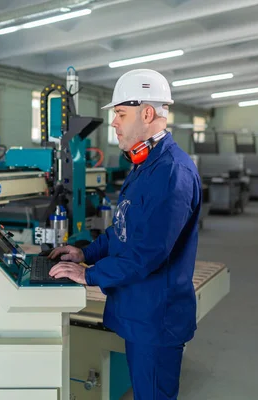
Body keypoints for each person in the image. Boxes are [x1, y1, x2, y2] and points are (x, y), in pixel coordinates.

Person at [49, 69, 202, 400]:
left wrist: (89, 275)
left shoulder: (172, 172)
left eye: (120, 113)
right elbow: (123, 229)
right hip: (139, 310)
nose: (114, 123)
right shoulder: (144, 164)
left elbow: (147, 253)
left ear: (147, 113)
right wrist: (85, 254)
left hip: (156, 317)